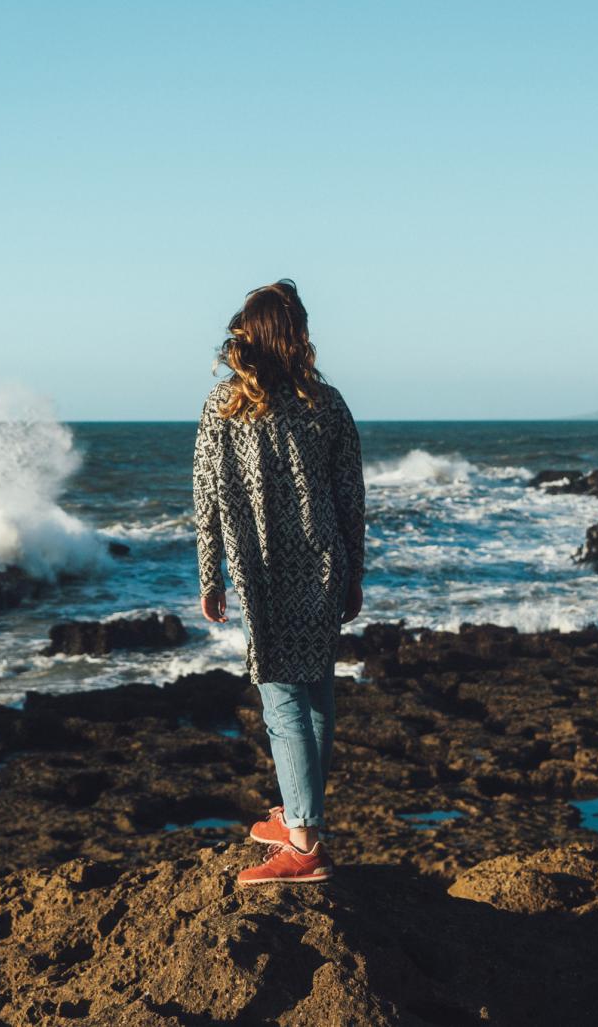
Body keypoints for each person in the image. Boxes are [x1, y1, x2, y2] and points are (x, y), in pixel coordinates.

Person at [191, 279, 366, 885]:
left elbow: (206, 493)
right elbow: (351, 497)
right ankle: (300, 816)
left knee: (283, 700)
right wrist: (355, 573)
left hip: (262, 570)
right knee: (315, 692)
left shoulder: (226, 404)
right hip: (324, 563)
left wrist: (210, 573)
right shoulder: (327, 403)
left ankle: (304, 845)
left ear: (249, 334)